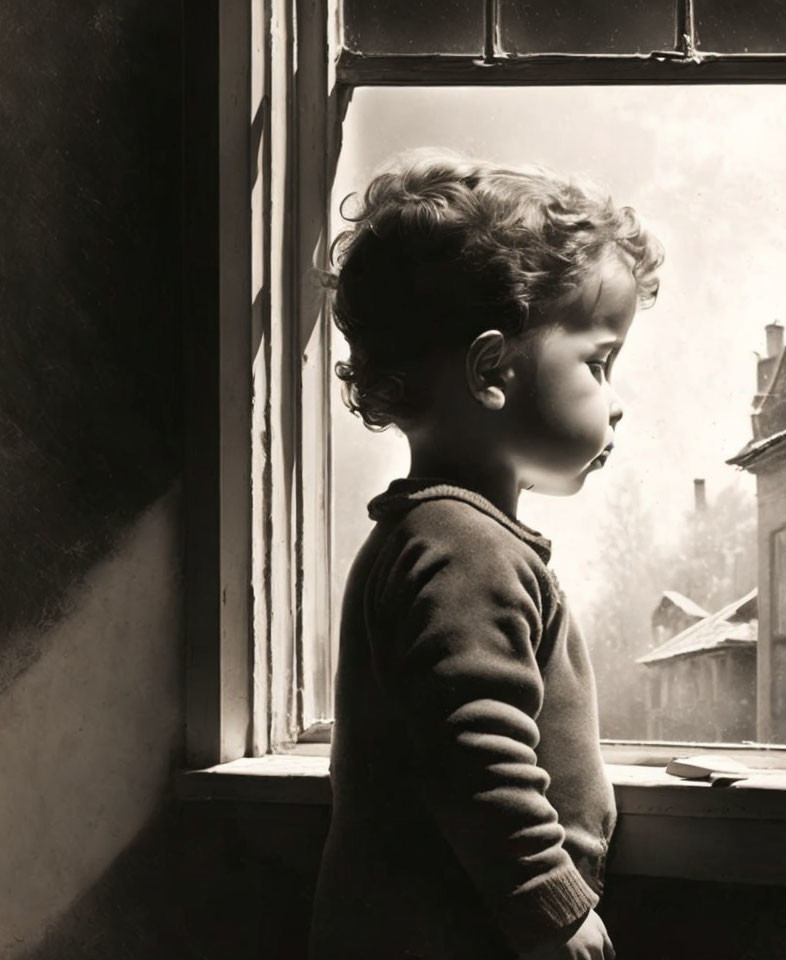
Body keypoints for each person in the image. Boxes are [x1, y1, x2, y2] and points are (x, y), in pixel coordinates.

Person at [308, 150, 664, 960]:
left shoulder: (446, 535)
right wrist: (554, 907)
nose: (615, 402)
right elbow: (476, 755)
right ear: (492, 369)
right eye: (598, 363)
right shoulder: (463, 548)